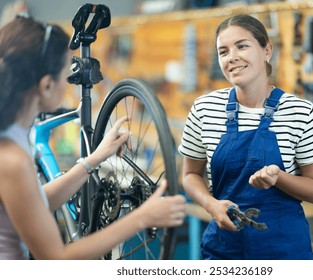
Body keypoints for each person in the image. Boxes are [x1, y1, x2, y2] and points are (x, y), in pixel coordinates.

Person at [0, 16, 186, 260]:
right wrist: (142, 217)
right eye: (66, 75)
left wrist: (95, 158)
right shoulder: (11, 158)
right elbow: (56, 260)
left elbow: (34, 203)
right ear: (46, 86)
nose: (69, 84)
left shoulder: (12, 135)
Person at [178, 14, 313, 260]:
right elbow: (189, 175)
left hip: (284, 250)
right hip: (224, 251)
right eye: (223, 51)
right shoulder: (204, 109)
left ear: (267, 50)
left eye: (242, 46)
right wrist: (210, 204)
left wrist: (278, 177)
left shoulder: (300, 111)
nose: (232, 57)